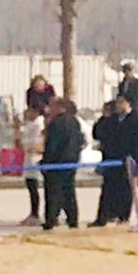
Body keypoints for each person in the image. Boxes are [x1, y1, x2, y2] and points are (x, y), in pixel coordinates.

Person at [91, 96, 138, 225]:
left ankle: (123, 216)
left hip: (126, 159)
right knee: (107, 189)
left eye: (121, 102)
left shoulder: (134, 118)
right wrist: (104, 117)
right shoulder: (112, 119)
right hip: (111, 158)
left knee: (125, 189)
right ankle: (104, 216)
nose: (118, 105)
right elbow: (97, 134)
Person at [41, 96, 83, 231]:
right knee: (69, 190)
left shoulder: (56, 123)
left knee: (53, 192)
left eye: (52, 106)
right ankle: (72, 218)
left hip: (56, 162)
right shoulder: (75, 121)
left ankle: (51, 219)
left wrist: (45, 162)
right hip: (71, 161)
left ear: (60, 107)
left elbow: (52, 145)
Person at [18, 102, 46, 223]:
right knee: (30, 185)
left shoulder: (38, 125)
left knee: (34, 185)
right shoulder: (30, 124)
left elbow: (36, 142)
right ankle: (33, 212)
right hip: (28, 157)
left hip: (35, 157)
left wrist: (25, 144)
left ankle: (35, 213)